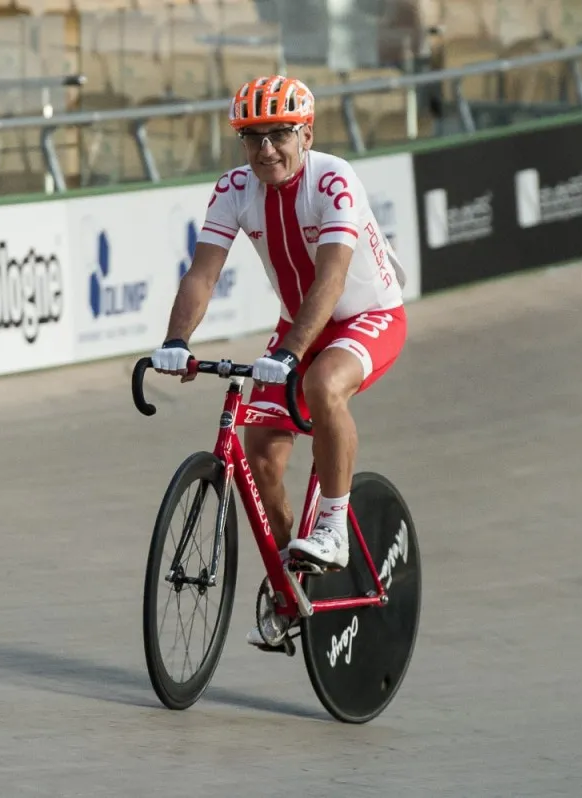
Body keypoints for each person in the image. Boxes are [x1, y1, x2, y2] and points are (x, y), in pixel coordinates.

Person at [148, 75, 409, 650]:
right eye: (252, 137)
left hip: (368, 314)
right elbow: (203, 273)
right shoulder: (235, 188)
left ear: (306, 133)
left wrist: (290, 352)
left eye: (279, 135)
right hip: (302, 326)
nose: (265, 148)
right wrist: (175, 340)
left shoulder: (334, 179)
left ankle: (334, 526)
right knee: (261, 452)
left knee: (322, 384)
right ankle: (291, 587)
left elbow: (333, 279)